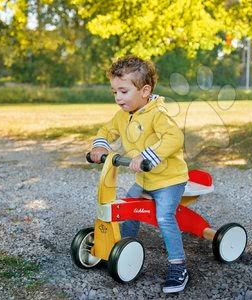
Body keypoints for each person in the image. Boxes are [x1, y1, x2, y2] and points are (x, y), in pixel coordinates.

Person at [89, 55, 189, 293]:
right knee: (129, 209)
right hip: (145, 180)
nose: (118, 98)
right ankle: (122, 247)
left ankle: (179, 265)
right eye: (114, 92)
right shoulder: (124, 114)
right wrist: (101, 145)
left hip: (169, 180)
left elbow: (174, 138)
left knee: (164, 216)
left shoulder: (158, 114)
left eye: (123, 91)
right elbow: (108, 130)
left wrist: (147, 156)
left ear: (145, 90)